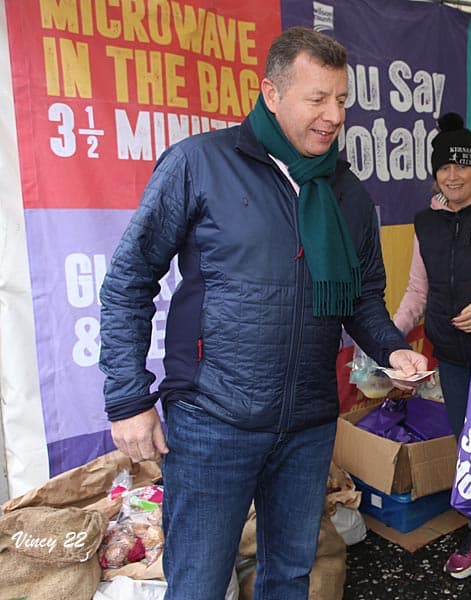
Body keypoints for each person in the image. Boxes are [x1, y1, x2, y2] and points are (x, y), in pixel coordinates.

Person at [98, 26, 427, 599]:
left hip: (307, 422)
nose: (333, 115)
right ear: (271, 94)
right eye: (317, 98)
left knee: (290, 577)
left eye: (342, 100)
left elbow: (361, 297)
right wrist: (129, 398)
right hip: (210, 420)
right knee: (197, 584)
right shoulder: (200, 163)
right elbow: (130, 279)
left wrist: (391, 345)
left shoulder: (345, 192)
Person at [393, 112, 471, 579]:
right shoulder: (427, 221)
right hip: (457, 361)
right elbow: (417, 292)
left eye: (463, 166)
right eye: (444, 167)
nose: (453, 175)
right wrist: (384, 337)